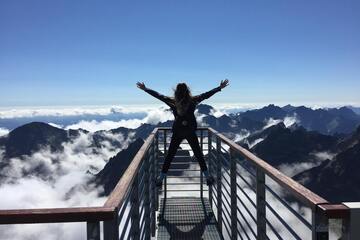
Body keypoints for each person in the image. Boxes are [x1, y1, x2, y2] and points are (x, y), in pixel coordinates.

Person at [136, 79, 229, 187]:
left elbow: (158, 95)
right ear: (187, 91)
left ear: (176, 92)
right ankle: (208, 177)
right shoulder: (193, 100)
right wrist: (219, 88)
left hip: (178, 132)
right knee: (199, 155)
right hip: (190, 131)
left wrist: (146, 89)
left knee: (169, 156)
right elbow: (206, 95)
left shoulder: (173, 102)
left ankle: (160, 178)